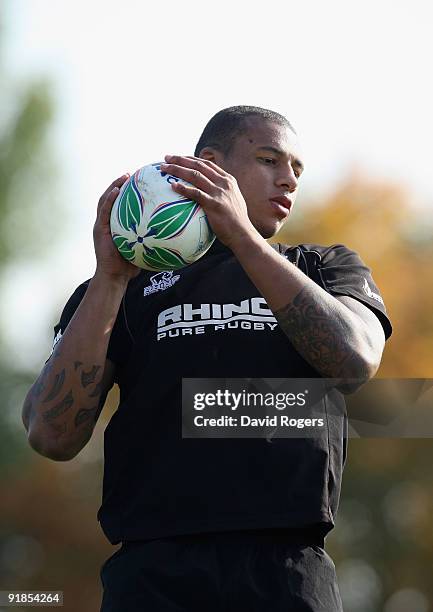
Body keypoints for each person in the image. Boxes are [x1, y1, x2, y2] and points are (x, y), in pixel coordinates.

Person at [22, 106, 392, 611]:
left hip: (286, 572)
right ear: (209, 164)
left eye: (297, 170)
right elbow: (51, 435)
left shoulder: (323, 268)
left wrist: (240, 235)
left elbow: (354, 362)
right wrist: (109, 277)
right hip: (152, 575)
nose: (288, 179)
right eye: (269, 159)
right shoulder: (119, 290)